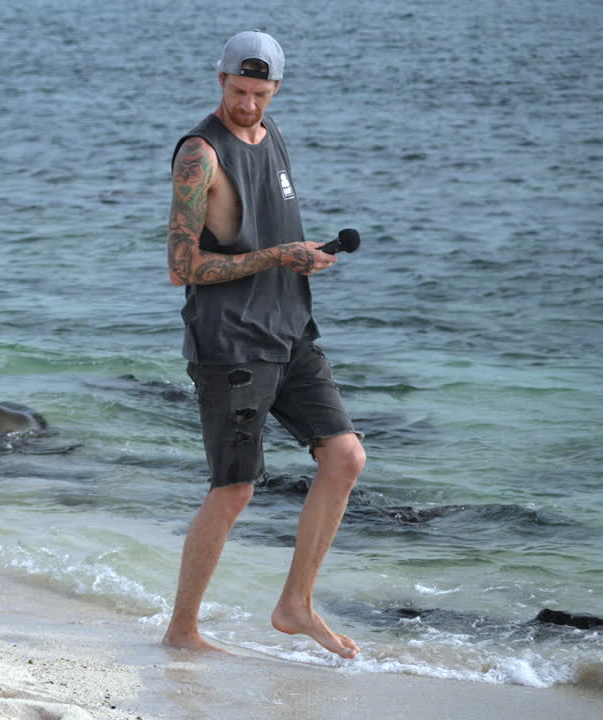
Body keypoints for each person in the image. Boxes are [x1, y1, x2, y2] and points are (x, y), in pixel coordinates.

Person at [161, 30, 365, 659]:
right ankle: (182, 630)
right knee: (235, 489)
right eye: (239, 90)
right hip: (231, 344)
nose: (247, 104)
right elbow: (180, 265)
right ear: (219, 79)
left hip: (290, 329)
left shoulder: (270, 134)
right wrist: (280, 255)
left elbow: (271, 228)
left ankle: (294, 605)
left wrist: (300, 261)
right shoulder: (201, 153)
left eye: (260, 93)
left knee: (346, 457)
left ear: (276, 89)